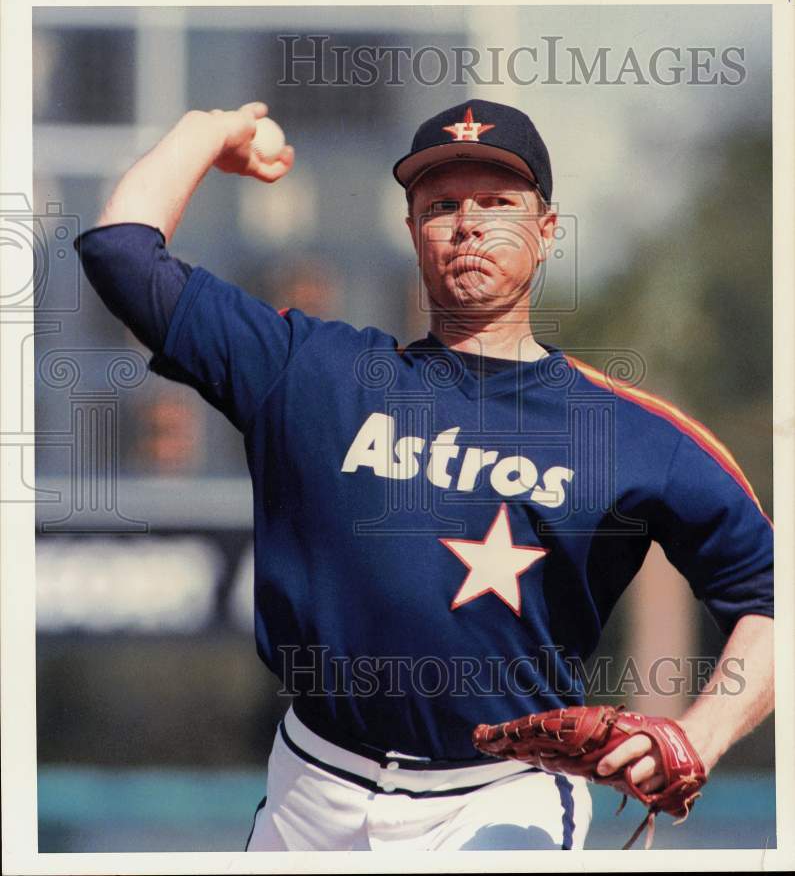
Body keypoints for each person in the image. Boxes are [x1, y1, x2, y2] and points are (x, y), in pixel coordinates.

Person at [75, 98, 774, 851]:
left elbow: (773, 598)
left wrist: (699, 736)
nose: (468, 222)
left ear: (546, 232)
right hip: (310, 787)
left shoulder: (636, 435)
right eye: (441, 204)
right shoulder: (310, 372)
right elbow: (120, 254)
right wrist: (207, 132)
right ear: (412, 232)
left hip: (502, 797)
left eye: (498, 202)